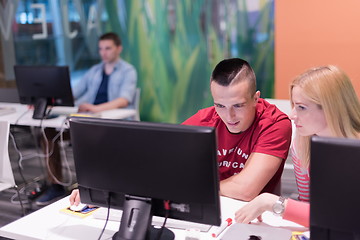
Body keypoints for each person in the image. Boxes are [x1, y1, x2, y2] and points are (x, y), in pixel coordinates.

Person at [69, 58, 291, 206]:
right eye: (220, 105)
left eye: (238, 106)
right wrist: (104, 185)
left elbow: (245, 190)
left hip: (255, 216)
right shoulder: (206, 118)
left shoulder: (275, 123)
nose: (229, 116)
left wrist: (186, 186)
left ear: (256, 98)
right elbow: (156, 154)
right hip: (209, 207)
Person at [234, 65, 360, 227]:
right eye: (294, 105)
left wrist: (271, 202)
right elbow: (310, 208)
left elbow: (346, 218)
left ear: (330, 108)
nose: (292, 115)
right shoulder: (302, 143)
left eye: (301, 107)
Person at [36, 32, 137, 206]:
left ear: (118, 49)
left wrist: (95, 108)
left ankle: (97, 188)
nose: (103, 52)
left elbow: (124, 100)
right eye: (100, 49)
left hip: (114, 124)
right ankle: (56, 185)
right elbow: (72, 93)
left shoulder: (128, 71)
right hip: (89, 122)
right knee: (48, 133)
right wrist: (47, 99)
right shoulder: (94, 71)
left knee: (93, 140)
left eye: (108, 48)